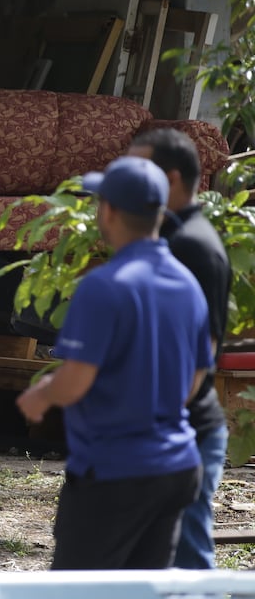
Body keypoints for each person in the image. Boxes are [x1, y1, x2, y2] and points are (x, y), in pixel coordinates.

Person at [16, 155, 212, 570]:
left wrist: (41, 395)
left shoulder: (103, 286)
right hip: (177, 468)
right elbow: (195, 379)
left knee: (78, 590)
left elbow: (75, 382)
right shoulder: (188, 283)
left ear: (109, 211)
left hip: (114, 472)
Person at [130, 128, 232, 569]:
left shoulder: (192, 245)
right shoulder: (173, 236)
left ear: (170, 179)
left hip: (185, 430)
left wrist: (159, 425)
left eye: (139, 171)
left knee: (190, 562)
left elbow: (200, 349)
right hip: (172, 428)